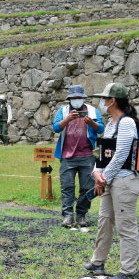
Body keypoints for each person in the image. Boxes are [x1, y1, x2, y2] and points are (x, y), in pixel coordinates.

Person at [84, 83, 139, 279]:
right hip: (110, 179)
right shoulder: (109, 125)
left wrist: (103, 177)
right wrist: (96, 173)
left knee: (125, 226)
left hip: (124, 180)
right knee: (104, 220)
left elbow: (122, 154)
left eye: (105, 98)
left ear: (112, 100)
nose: (102, 102)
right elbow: (104, 154)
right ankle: (98, 261)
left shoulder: (127, 123)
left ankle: (129, 270)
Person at [53, 85, 105, 228]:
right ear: (69, 99)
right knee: (67, 186)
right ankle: (68, 216)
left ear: (83, 98)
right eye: (73, 98)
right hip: (67, 155)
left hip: (88, 155)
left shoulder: (92, 111)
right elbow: (56, 127)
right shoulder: (63, 111)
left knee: (87, 187)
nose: (76, 100)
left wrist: (91, 123)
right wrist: (68, 119)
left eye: (79, 98)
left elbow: (101, 128)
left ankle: (81, 214)